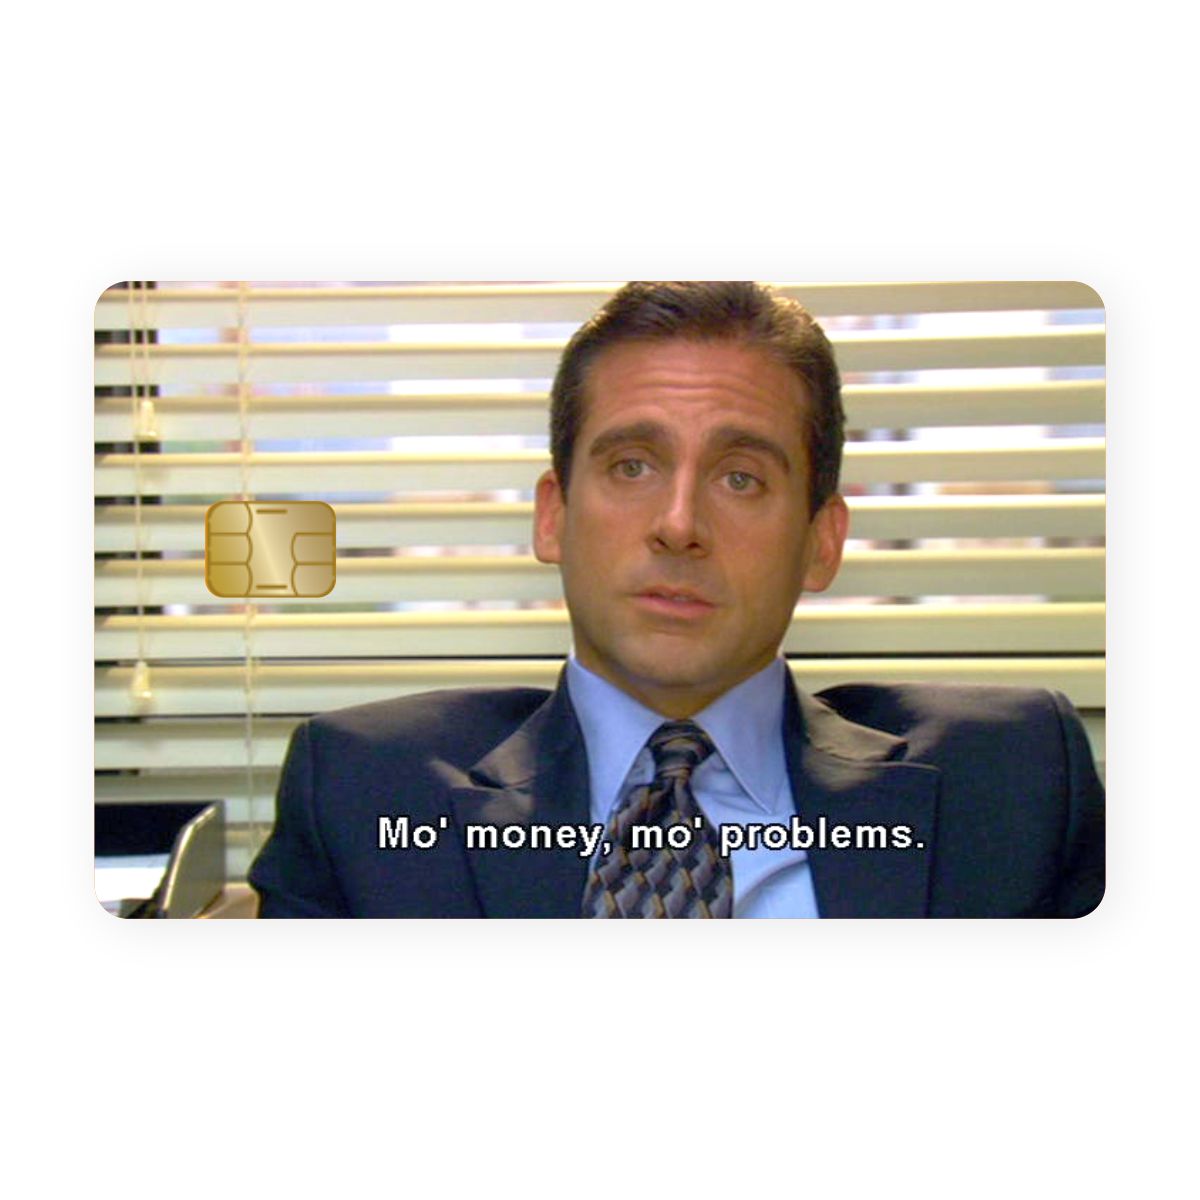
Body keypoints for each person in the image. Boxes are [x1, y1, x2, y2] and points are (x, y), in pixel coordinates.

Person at [249, 281, 1104, 918]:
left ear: (821, 541)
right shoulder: (363, 794)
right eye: (632, 466)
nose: (680, 524)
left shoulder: (1014, 784)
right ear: (552, 517)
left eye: (741, 477)